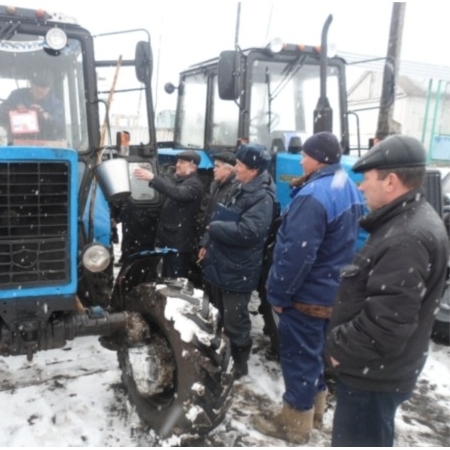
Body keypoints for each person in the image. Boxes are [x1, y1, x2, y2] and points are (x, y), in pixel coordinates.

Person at [325, 135, 449, 447]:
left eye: (367, 178)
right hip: (380, 372)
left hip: (373, 378)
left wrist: (339, 350)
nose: (362, 186)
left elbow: (386, 325)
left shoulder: (406, 237)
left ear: (391, 181)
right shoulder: (410, 221)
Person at [253, 131, 365, 444]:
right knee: (315, 354)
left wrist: (278, 294)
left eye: (305, 155)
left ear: (318, 158)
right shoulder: (349, 189)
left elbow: (296, 255)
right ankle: (315, 412)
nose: (301, 160)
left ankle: (294, 424)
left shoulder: (312, 195)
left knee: (300, 357)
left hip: (308, 295)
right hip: (333, 290)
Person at [199, 144, 276, 379]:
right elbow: (221, 213)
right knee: (218, 316)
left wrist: (215, 228)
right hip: (222, 263)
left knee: (235, 321)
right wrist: (207, 241)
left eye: (240, 166)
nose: (236, 169)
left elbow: (249, 232)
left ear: (253, 170)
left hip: (238, 269)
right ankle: (222, 356)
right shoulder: (240, 187)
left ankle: (239, 365)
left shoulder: (262, 197)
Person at [134, 151, 204, 279]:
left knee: (175, 280)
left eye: (182, 163)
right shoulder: (182, 181)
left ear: (192, 167)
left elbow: (176, 192)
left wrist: (153, 178)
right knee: (166, 278)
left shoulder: (194, 184)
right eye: (178, 162)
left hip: (178, 244)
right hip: (170, 242)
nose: (177, 165)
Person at [0, 71, 65, 141]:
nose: (40, 89)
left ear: (49, 87)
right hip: (15, 145)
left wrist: (45, 116)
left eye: (44, 87)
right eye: (37, 85)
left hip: (45, 147)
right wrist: (15, 111)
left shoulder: (55, 104)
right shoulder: (17, 96)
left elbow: (60, 125)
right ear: (31, 83)